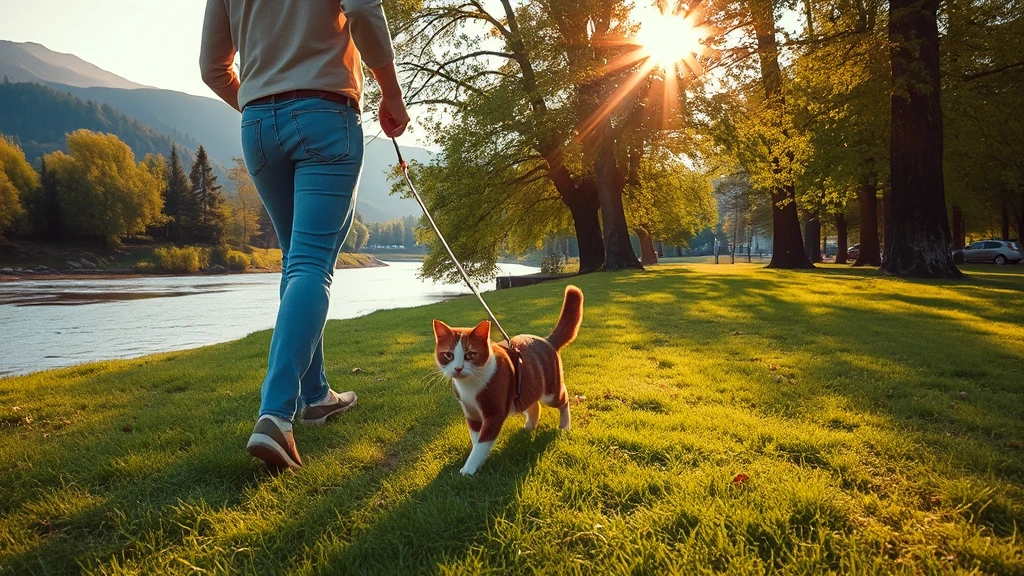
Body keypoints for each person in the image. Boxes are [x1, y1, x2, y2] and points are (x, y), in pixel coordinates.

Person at [200, 0, 410, 469]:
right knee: (312, 263)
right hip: (323, 113)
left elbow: (211, 68)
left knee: (296, 260)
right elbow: (361, 9)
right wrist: (390, 92)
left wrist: (261, 103)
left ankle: (314, 395)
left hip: (256, 126)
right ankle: (275, 415)